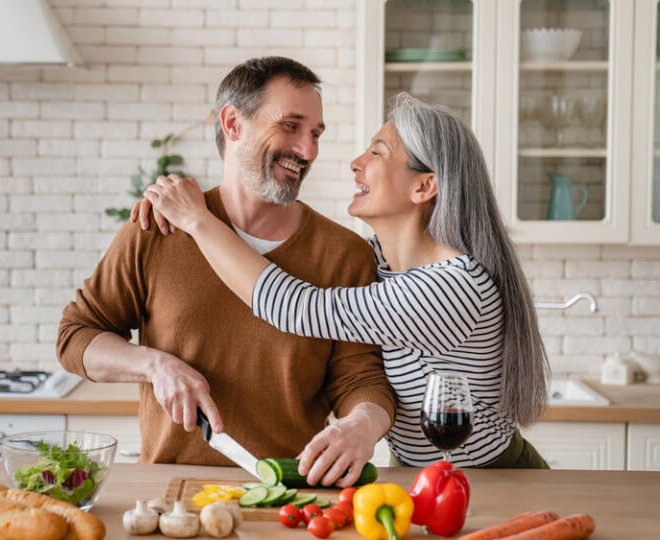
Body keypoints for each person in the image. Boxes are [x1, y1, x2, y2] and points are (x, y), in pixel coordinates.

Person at [140, 93, 550, 468]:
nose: (357, 162)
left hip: (494, 479)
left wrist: (196, 220)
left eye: (378, 152)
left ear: (424, 186)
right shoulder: (378, 262)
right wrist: (173, 206)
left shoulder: (453, 287)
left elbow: (298, 307)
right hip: (422, 474)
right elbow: (307, 268)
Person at [57, 56, 396, 487]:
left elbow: (361, 378)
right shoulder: (157, 228)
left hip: (289, 502)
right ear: (233, 124)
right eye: (290, 126)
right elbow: (75, 337)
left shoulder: (344, 254)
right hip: (170, 499)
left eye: (315, 134)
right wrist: (153, 365)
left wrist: (363, 425)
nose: (308, 151)